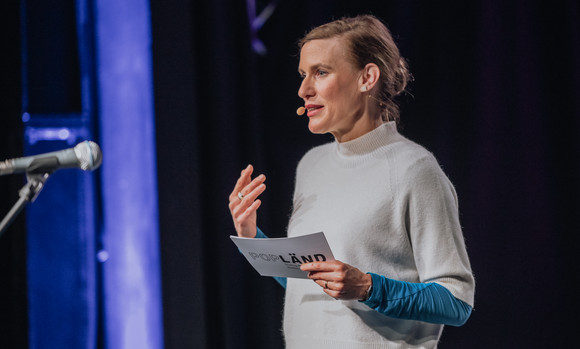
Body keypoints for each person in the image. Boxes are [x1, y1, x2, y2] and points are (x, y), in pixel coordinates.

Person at [228, 15, 475, 349]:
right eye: (303, 75)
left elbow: (456, 301)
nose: (303, 90)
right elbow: (310, 283)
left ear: (367, 78)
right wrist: (250, 235)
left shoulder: (414, 169)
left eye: (321, 72)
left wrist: (368, 287)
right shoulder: (311, 165)